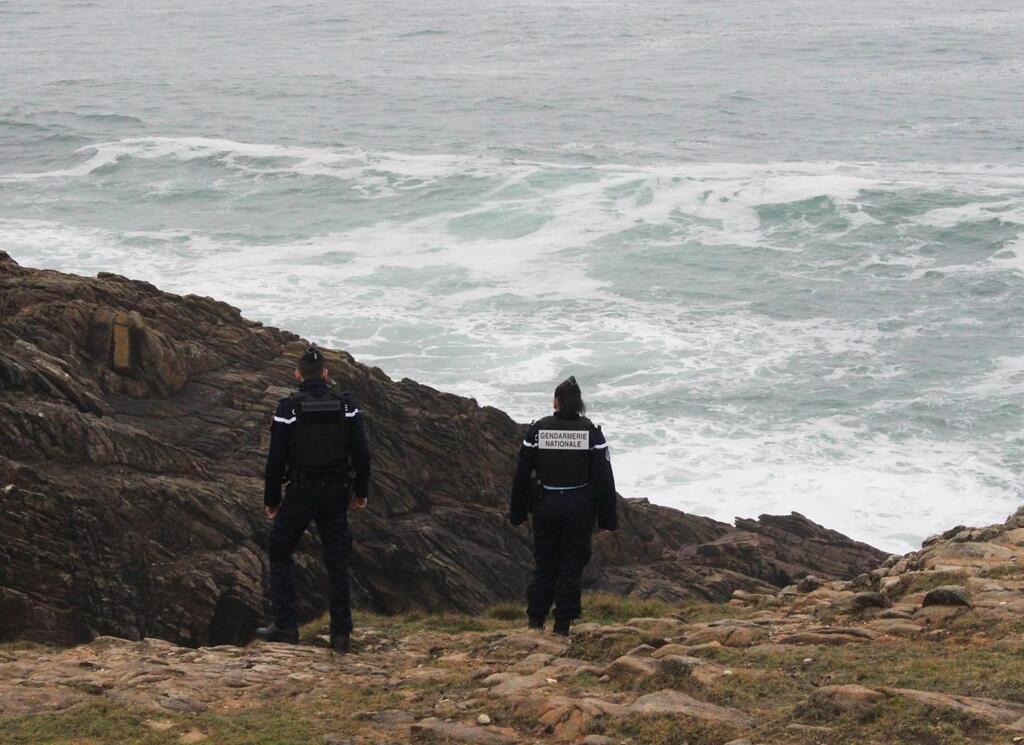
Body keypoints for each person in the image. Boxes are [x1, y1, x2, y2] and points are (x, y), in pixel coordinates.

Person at [256, 346, 371, 653]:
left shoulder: (288, 408)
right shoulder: (346, 405)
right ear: (326, 374)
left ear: (297, 374)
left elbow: (275, 457)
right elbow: (361, 451)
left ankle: (285, 626)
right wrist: (361, 491)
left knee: (280, 552)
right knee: (336, 560)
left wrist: (272, 497)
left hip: (301, 494)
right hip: (336, 494)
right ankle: (341, 634)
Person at [509, 376, 617, 636]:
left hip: (546, 506)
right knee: (571, 566)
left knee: (544, 564)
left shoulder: (538, 431)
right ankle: (562, 626)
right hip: (579, 507)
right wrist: (607, 519)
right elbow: (604, 479)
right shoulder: (591, 432)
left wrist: (518, 512)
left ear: (556, 401)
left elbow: (522, 473)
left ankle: (535, 621)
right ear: (579, 403)